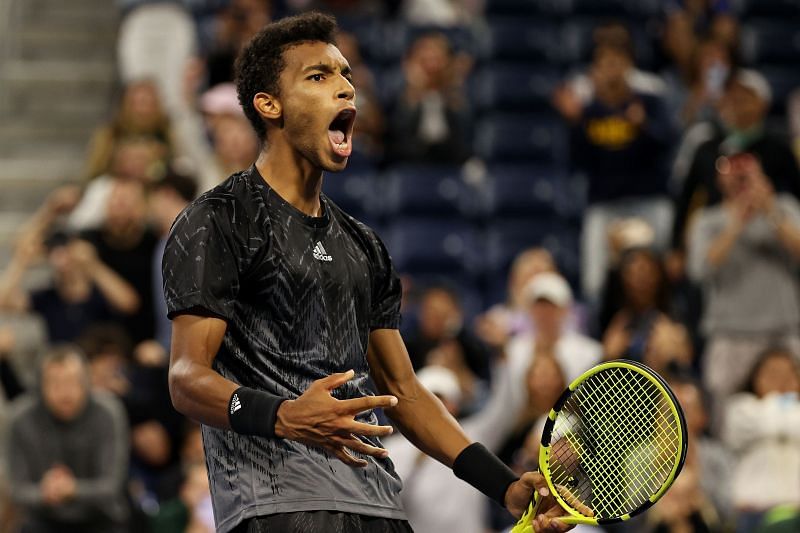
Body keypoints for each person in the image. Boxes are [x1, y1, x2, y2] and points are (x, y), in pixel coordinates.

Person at [162, 12, 576, 533]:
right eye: (319, 76)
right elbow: (186, 379)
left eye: (346, 76)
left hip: (379, 508)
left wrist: (506, 485)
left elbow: (403, 392)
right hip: (277, 508)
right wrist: (284, 414)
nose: (343, 88)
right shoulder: (219, 218)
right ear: (270, 105)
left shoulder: (364, 246)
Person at [687, 153, 800, 431]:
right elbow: (699, 270)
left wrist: (769, 210)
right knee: (726, 424)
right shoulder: (707, 220)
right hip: (730, 334)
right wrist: (737, 220)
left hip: (783, 331)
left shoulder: (784, 208)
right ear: (719, 179)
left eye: (746, 169)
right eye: (731, 170)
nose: (740, 177)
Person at [5, 346, 130, 533]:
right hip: (43, 519)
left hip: (101, 517)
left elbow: (112, 485)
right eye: (55, 383)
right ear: (40, 385)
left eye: (72, 382)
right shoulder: (20, 419)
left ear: (87, 382)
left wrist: (73, 490)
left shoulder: (108, 412)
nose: (65, 393)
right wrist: (44, 492)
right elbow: (16, 489)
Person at [723, 348, 800, 533]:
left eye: (788, 374)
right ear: (755, 377)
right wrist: (784, 404)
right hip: (752, 514)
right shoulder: (739, 408)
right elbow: (770, 425)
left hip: (796, 512)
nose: (780, 381)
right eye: (773, 373)